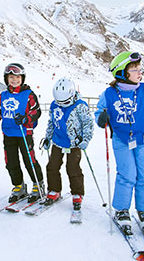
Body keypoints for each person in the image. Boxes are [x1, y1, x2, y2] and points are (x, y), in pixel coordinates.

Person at [94, 51, 144, 235]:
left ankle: (143, 210)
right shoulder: (109, 93)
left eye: (140, 69)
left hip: (143, 139)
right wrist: (101, 118)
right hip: (121, 140)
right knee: (127, 173)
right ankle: (122, 209)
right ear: (122, 73)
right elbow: (99, 112)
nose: (140, 73)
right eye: (135, 70)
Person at [0, 63, 44, 203]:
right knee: (11, 162)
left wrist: (26, 119)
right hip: (8, 133)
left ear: (22, 78)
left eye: (17, 77)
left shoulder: (29, 95)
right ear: (6, 79)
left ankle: (38, 185)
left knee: (29, 160)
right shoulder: (3, 95)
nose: (14, 80)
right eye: (11, 77)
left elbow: (36, 112)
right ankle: (18, 186)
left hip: (24, 133)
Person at [40, 78, 94, 212]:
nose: (62, 104)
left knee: (73, 168)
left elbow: (88, 124)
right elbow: (52, 122)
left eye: (65, 102)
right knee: (52, 166)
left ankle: (77, 193)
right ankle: (54, 190)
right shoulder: (54, 105)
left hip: (74, 143)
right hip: (58, 141)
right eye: (59, 102)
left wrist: (85, 140)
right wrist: (47, 137)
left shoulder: (80, 106)